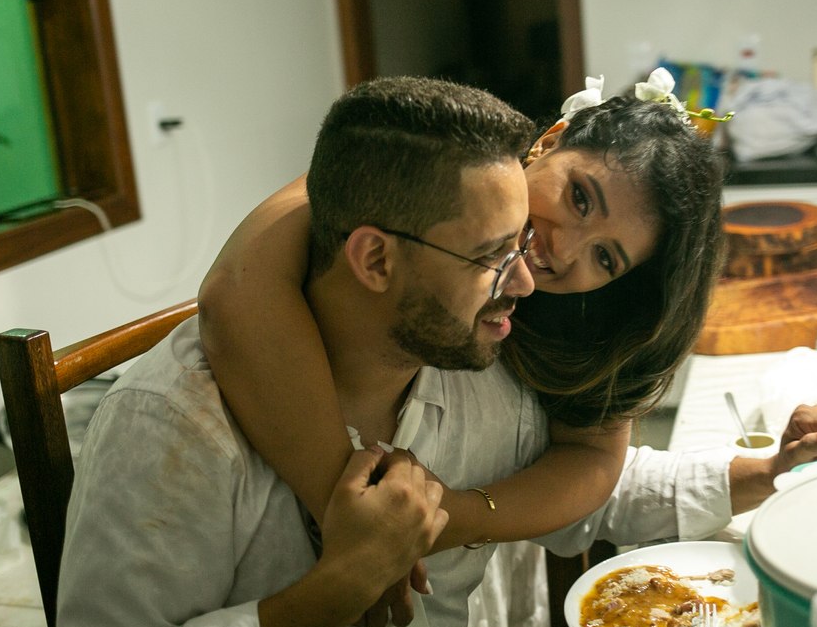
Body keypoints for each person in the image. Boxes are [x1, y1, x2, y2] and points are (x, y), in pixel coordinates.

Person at [52, 77, 817, 627]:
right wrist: (341, 583)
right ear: (375, 260)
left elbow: (583, 480)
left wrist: (756, 472)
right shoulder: (178, 426)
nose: (538, 273)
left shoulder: (479, 363)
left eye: (605, 258)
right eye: (494, 252)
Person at [197, 72, 729, 586]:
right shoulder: (437, 168)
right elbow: (237, 286)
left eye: (607, 258)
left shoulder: (594, 315)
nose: (562, 251)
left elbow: (594, 459)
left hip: (472, 550)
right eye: (580, 198)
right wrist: (348, 512)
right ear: (549, 142)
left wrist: (457, 516)